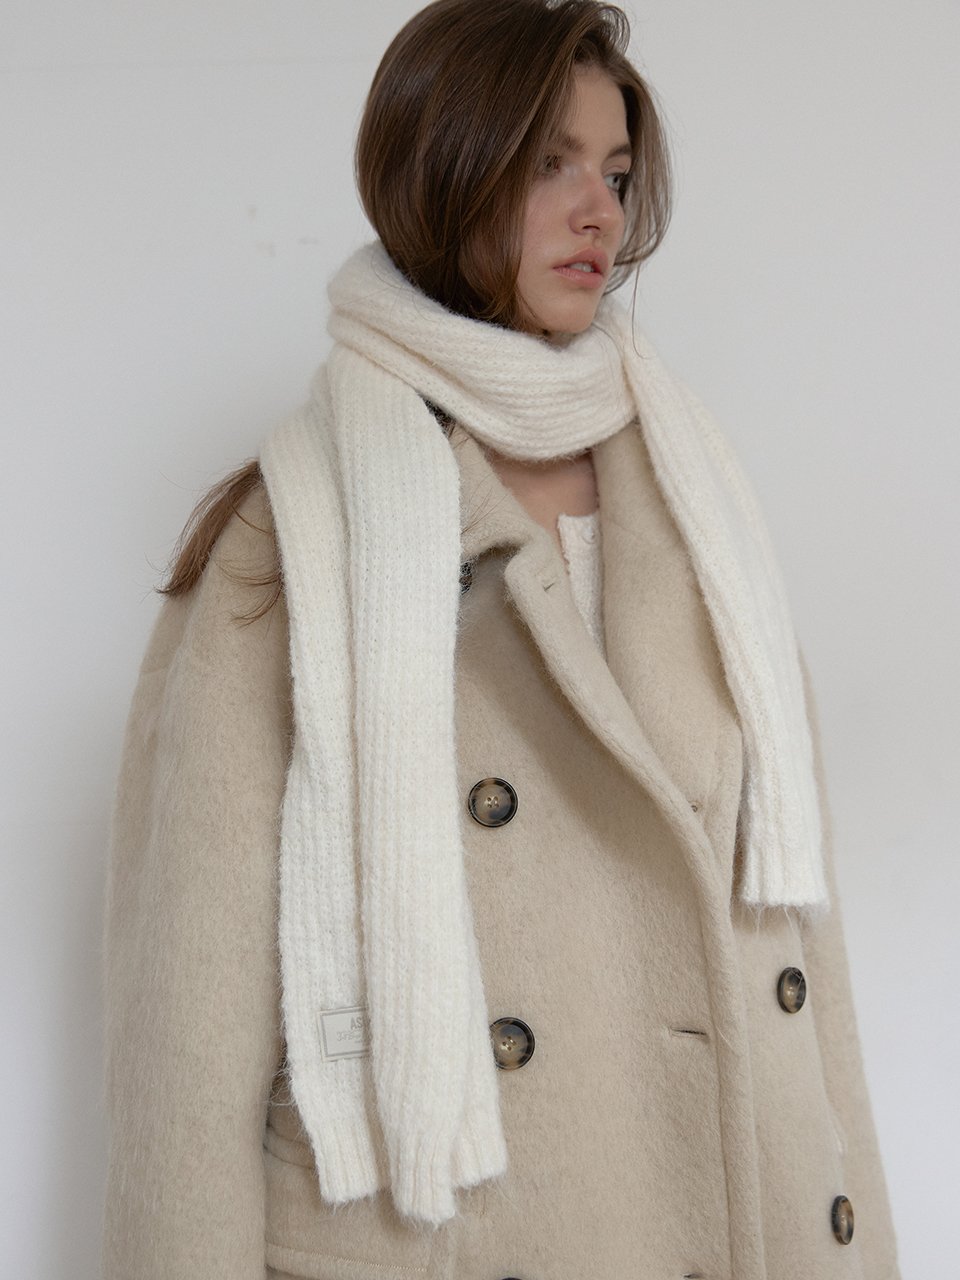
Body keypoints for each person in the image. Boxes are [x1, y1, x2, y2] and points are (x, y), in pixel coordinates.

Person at [101, 2, 901, 1277]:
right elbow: (190, 1033)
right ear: (446, 173)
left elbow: (808, 954)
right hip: (461, 1232)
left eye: (617, 174)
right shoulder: (301, 533)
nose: (599, 214)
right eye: (549, 164)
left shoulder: (703, 509)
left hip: (743, 1216)